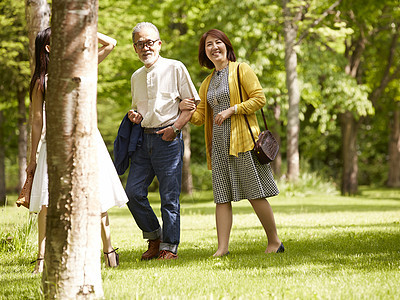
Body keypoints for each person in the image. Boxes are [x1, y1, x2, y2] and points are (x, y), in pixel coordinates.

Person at [27, 28, 128, 273]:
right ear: (49, 48)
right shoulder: (42, 81)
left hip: (87, 140)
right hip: (54, 142)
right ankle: (42, 259)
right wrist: (32, 159)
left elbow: (111, 43)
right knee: (46, 202)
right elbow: (36, 122)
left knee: (98, 196)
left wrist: (83, 26)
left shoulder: (80, 67)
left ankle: (109, 251)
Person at [180, 29, 284, 256]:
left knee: (255, 194)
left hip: (243, 143)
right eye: (209, 44)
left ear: (227, 46)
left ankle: (274, 242)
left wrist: (232, 110)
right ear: (204, 52)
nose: (214, 47)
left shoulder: (241, 70)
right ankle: (222, 248)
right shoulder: (207, 82)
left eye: (218, 42)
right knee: (221, 197)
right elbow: (200, 118)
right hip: (217, 147)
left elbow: (259, 99)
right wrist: (186, 109)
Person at [125, 22, 200, 260]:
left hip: (168, 140)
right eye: (140, 44)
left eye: (149, 42)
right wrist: (133, 115)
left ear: (158, 44)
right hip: (143, 141)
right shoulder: (135, 77)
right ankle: (154, 238)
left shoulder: (175, 67)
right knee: (132, 192)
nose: (145, 47)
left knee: (169, 197)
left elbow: (191, 104)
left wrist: (175, 129)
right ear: (135, 48)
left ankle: (169, 247)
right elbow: (139, 110)